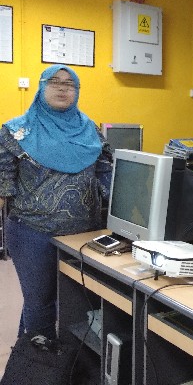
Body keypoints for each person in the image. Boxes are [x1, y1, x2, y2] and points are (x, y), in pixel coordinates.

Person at [0, 65, 113, 340]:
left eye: (70, 83)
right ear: (41, 86)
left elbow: (107, 176)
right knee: (41, 303)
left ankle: (29, 356)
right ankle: (40, 360)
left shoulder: (91, 131)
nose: (63, 87)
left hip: (84, 234)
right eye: (54, 81)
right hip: (33, 232)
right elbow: (2, 185)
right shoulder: (16, 132)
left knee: (77, 302)